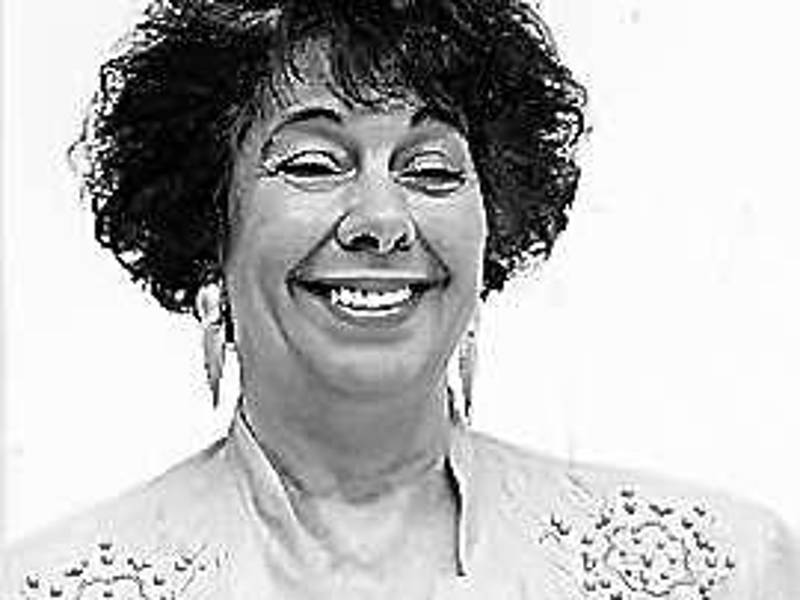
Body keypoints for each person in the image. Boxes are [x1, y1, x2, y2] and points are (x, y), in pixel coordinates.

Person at [2, 0, 797, 598]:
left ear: (494, 224)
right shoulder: (52, 586)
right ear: (210, 227)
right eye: (313, 164)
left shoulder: (722, 570)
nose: (382, 222)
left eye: (431, 170)